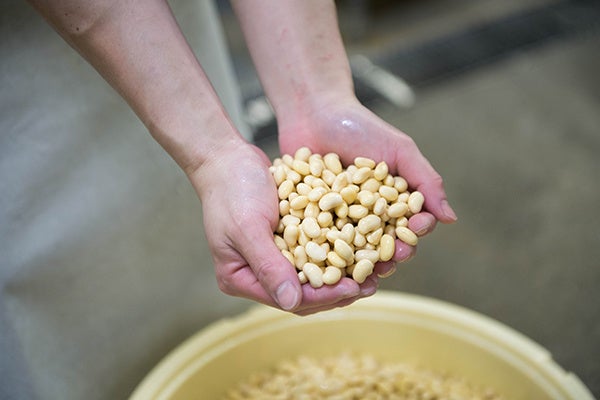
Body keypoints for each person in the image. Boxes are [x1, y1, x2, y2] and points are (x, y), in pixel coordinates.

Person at [1, 0, 456, 398]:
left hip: (174, 55)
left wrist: (317, 96)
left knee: (230, 279)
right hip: (26, 94)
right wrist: (211, 155)